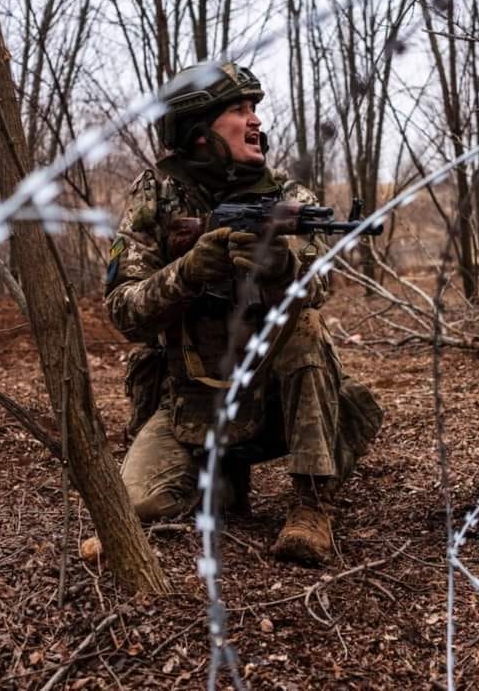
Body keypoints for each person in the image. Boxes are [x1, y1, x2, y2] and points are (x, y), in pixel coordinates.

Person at [104, 61, 383, 565]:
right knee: (143, 502)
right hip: (191, 399)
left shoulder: (288, 196)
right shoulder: (157, 195)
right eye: (237, 110)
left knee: (305, 323)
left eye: (254, 108)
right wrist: (188, 271)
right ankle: (224, 471)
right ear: (198, 132)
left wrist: (281, 269)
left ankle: (311, 505)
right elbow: (124, 312)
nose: (254, 120)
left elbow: (319, 287)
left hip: (273, 396)